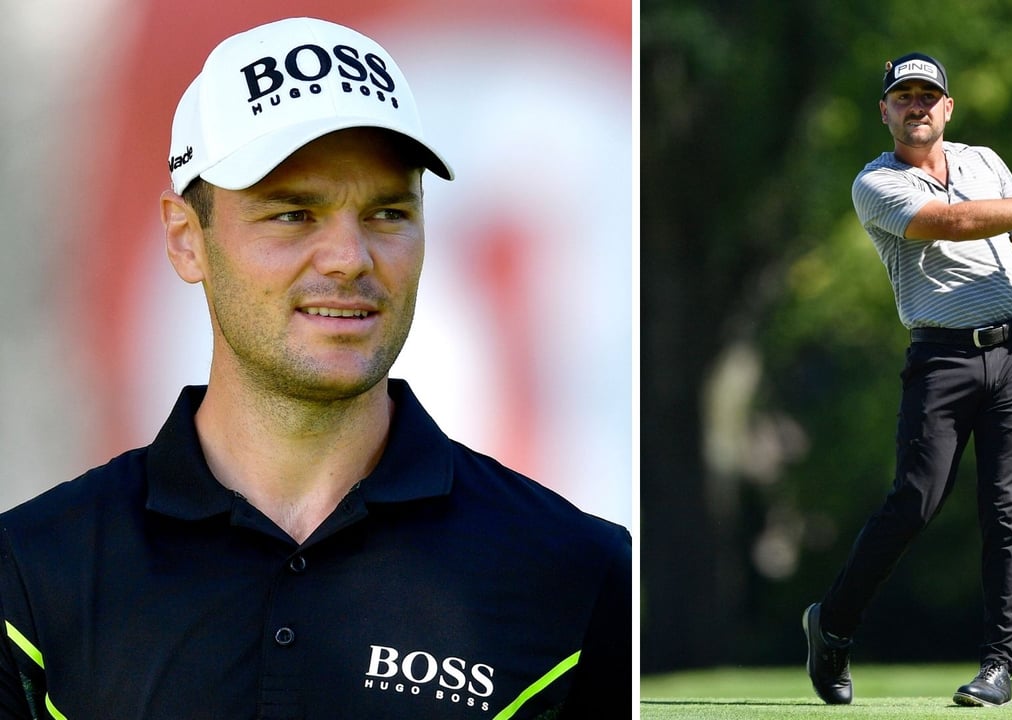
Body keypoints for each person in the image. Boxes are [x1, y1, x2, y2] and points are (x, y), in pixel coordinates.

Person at [0, 17, 630, 719]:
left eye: (388, 212)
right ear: (185, 240)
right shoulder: (32, 571)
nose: (349, 258)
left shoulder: (581, 573)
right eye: (294, 214)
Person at [803, 52, 1012, 707]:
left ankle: (998, 667)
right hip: (941, 360)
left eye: (928, 95)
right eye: (903, 96)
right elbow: (949, 224)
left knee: (1009, 511)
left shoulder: (986, 162)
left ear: (948, 107)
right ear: (885, 110)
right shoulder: (876, 184)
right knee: (914, 503)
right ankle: (831, 625)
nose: (917, 105)